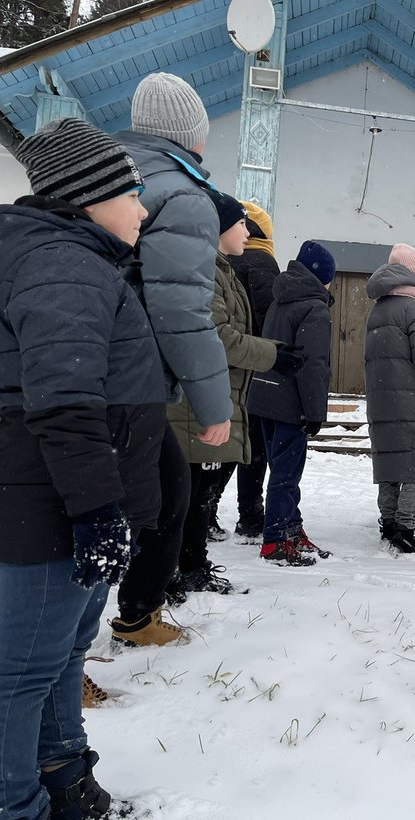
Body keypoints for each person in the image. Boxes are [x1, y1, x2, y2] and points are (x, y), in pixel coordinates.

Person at [0, 117, 165, 820]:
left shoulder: (80, 260)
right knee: (22, 669)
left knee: (59, 656)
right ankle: (9, 807)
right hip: (54, 499)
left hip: (74, 495)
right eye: (132, 193)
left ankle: (62, 774)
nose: (142, 207)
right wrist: (96, 512)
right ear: (87, 197)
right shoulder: (65, 265)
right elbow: (67, 405)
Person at [110, 72, 231, 648]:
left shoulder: (111, 176)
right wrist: (214, 406)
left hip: (91, 368)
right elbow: (182, 312)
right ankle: (64, 658)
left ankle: (137, 612)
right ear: (192, 137)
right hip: (124, 380)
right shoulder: (181, 195)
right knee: (115, 506)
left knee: (163, 491)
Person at [167, 193, 303, 598]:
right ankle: (173, 573)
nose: (248, 232)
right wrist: (273, 354)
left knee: (195, 493)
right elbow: (218, 337)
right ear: (220, 227)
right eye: (241, 223)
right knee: (189, 494)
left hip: (213, 392)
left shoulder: (221, 267)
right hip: (199, 397)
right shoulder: (207, 269)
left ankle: (190, 565)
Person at [248, 240, 335, 566]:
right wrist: (313, 412)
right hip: (290, 403)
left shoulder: (280, 297)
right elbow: (311, 365)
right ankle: (275, 541)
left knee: (281, 469)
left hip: (265, 396)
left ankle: (291, 528)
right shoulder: (313, 306)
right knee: (286, 474)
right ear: (324, 276)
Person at [364, 243, 415, 555]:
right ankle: (405, 528)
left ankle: (387, 524)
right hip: (413, 401)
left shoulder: (378, 308)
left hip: (383, 400)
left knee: (389, 465)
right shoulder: (414, 309)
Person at [228, 200, 280, 541]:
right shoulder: (262, 263)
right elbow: (267, 319)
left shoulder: (225, 261)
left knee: (223, 439)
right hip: (253, 365)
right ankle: (249, 514)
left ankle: (207, 509)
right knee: (252, 445)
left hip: (225, 362)